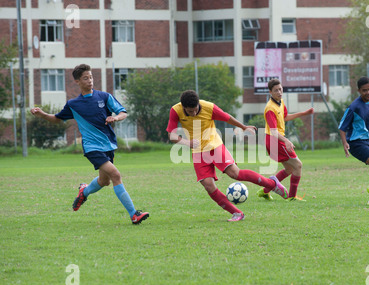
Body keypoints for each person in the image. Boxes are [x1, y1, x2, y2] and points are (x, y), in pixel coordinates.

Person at [30, 64, 149, 224]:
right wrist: (43, 114)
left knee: (104, 181)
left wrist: (115, 118)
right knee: (116, 175)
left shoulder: (104, 97)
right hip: (92, 148)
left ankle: (84, 192)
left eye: (91, 77)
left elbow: (123, 112)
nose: (90, 80)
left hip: (108, 145)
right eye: (86, 78)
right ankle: (134, 214)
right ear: (77, 81)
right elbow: (58, 118)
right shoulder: (74, 104)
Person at [166, 90, 288, 222]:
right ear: (183, 107)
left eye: (195, 110)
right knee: (208, 185)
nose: (194, 113)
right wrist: (186, 143)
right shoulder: (175, 110)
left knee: (235, 174)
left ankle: (272, 183)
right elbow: (171, 135)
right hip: (197, 152)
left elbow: (227, 117)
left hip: (214, 146)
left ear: (198, 103)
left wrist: (243, 127)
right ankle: (237, 213)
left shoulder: (209, 107)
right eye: (190, 112)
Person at [256, 79, 314, 202]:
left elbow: (285, 117)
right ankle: (292, 197)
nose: (279, 92)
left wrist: (303, 113)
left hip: (275, 140)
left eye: (280, 89)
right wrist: (286, 141)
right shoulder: (270, 108)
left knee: (289, 169)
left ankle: (265, 191)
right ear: (270, 92)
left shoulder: (280, 102)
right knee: (298, 165)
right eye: (276, 90)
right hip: (274, 140)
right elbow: (273, 131)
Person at [338, 76, 369, 206]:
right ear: (359, 91)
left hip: (367, 141)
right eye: (364, 90)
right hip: (355, 143)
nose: (368, 93)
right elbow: (342, 127)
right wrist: (345, 143)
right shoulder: (354, 107)